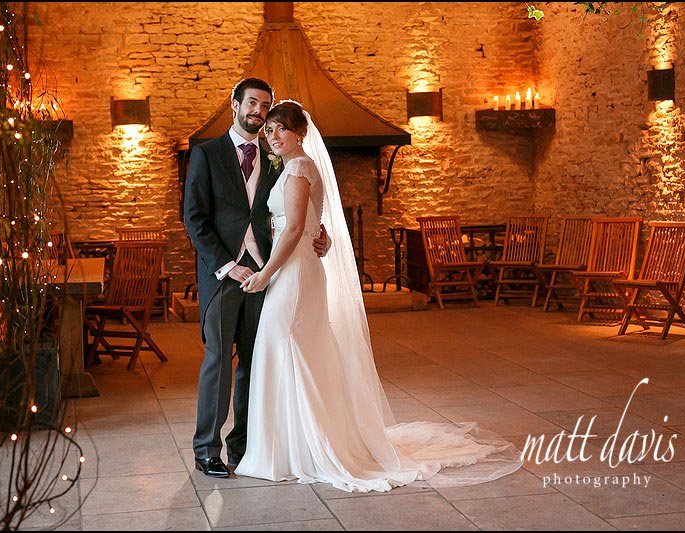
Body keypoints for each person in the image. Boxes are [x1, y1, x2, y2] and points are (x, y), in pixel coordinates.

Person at [234, 100, 523, 492]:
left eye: (281, 128)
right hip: (297, 267)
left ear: (299, 132)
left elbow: (295, 227)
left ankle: (301, 449)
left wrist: (266, 273)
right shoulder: (295, 167)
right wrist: (317, 239)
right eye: (269, 130)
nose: (273, 136)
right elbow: (309, 225)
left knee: (286, 345)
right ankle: (290, 445)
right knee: (293, 349)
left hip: (293, 272)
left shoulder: (299, 168)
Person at [183, 79, 329, 478]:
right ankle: (207, 450)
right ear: (234, 104)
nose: (258, 112)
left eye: (265, 106)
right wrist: (228, 266)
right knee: (218, 361)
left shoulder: (277, 155)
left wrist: (320, 235)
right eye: (251, 103)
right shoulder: (207, 154)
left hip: (268, 273)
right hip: (223, 276)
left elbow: (295, 212)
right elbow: (194, 219)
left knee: (254, 361)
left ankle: (244, 446)